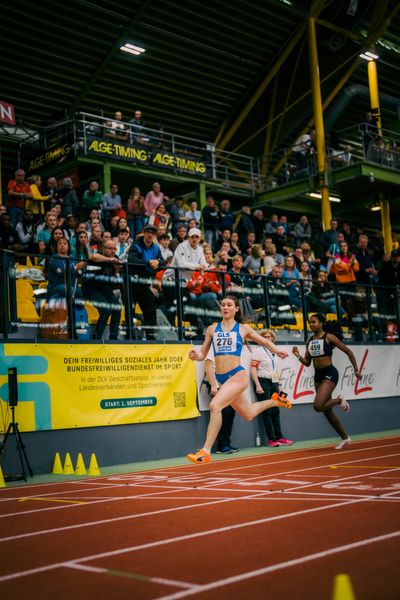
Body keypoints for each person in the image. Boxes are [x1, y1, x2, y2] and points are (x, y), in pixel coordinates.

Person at [187, 295, 290, 463]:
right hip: (222, 378)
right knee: (248, 414)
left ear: (236, 309)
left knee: (215, 405)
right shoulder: (212, 329)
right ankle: (275, 401)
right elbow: (202, 355)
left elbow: (264, 341)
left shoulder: (243, 329)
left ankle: (205, 451)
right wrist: (195, 356)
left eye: (229, 305)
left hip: (237, 375)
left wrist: (277, 350)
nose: (225, 307)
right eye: (223, 305)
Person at [292, 313, 362, 450]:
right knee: (327, 411)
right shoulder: (309, 340)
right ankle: (344, 437)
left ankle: (339, 399)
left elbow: (348, 351)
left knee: (318, 406)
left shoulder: (329, 337)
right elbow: (307, 363)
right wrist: (298, 356)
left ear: (322, 323)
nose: (311, 324)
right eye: (310, 323)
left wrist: (356, 370)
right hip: (318, 376)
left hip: (330, 373)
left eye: (314, 322)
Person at [251, 329, 293, 447]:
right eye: (265, 337)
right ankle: (271, 439)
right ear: (260, 339)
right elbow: (253, 368)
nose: (268, 339)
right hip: (263, 382)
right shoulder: (258, 351)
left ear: (273, 338)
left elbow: (275, 370)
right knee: (267, 411)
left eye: (270, 337)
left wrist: (279, 385)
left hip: (273, 382)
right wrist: (258, 384)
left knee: (276, 410)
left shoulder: (274, 351)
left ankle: (280, 437)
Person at [204, 346, 239, 454]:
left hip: (228, 385)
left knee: (230, 414)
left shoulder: (229, 351)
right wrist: (213, 385)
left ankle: (226, 443)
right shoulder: (212, 350)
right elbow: (208, 367)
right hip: (218, 386)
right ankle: (221, 445)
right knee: (223, 413)